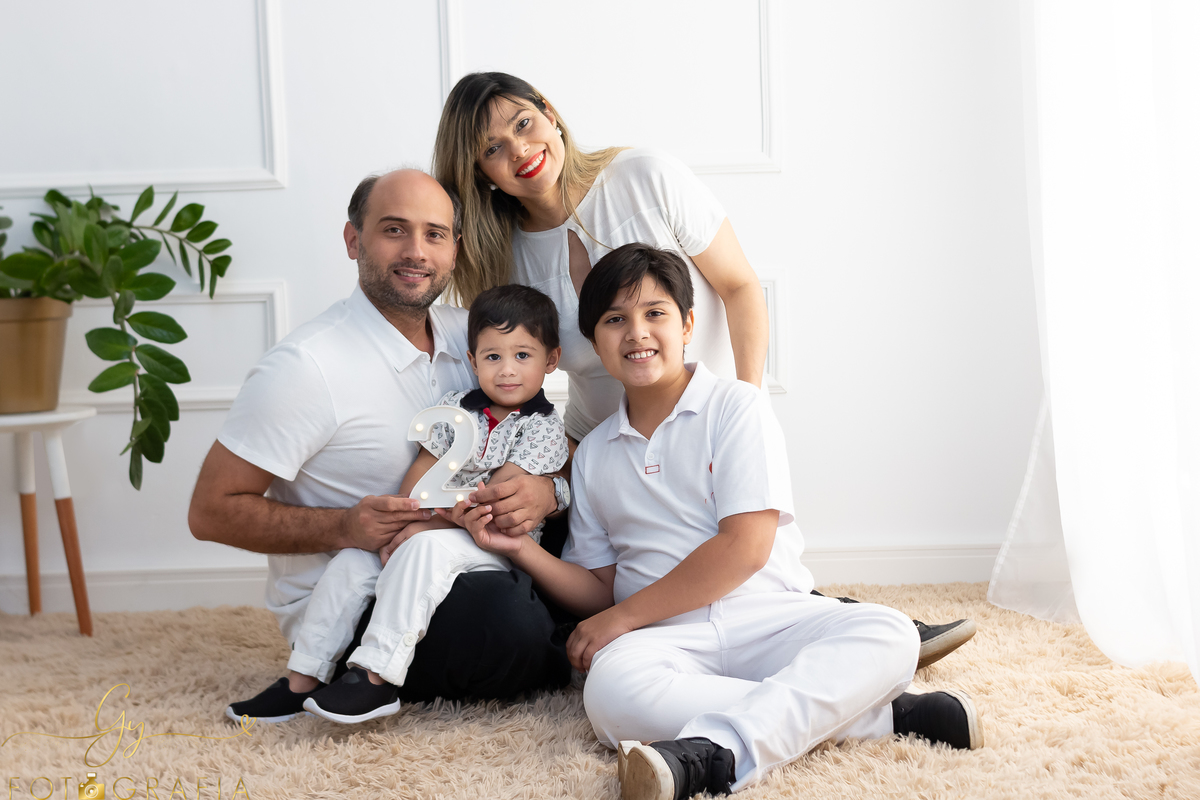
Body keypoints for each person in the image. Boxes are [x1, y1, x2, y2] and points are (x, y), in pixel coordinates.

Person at [433, 71, 976, 668]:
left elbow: (741, 287)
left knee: (739, 552)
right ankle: (804, 631)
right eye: (492, 148)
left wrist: (745, 407)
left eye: (523, 123)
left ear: (550, 113)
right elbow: (520, 385)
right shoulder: (503, 256)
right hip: (600, 443)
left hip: (707, 418)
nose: (519, 150)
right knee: (579, 612)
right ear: (478, 173)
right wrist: (548, 477)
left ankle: (833, 622)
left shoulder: (643, 178)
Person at [457, 244, 982, 799]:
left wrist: (619, 619)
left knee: (889, 632)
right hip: (666, 640)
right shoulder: (593, 455)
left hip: (770, 616)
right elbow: (598, 587)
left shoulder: (737, 407)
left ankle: (714, 756)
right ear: (594, 342)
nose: (636, 333)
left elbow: (744, 549)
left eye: (654, 314)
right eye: (615, 320)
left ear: (686, 324)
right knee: (610, 694)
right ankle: (872, 715)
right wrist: (518, 548)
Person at [189, 169, 570, 723]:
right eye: (394, 230)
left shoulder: (478, 340)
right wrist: (343, 527)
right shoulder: (304, 368)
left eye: (435, 234)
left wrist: (546, 491)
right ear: (353, 240)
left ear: (455, 250)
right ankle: (344, 671)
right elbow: (210, 512)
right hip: (361, 588)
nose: (416, 251)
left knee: (588, 525)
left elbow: (551, 436)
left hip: (466, 544)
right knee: (508, 623)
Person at [298, 284, 570, 724]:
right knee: (353, 560)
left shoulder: (542, 429)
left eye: (523, 355)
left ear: (550, 361)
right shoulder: (452, 410)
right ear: (472, 360)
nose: (506, 370)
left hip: (493, 544)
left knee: (423, 549)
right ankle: (303, 675)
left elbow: (492, 509)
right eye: (493, 356)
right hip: (436, 526)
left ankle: (376, 679)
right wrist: (410, 521)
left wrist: (422, 530)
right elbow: (417, 486)